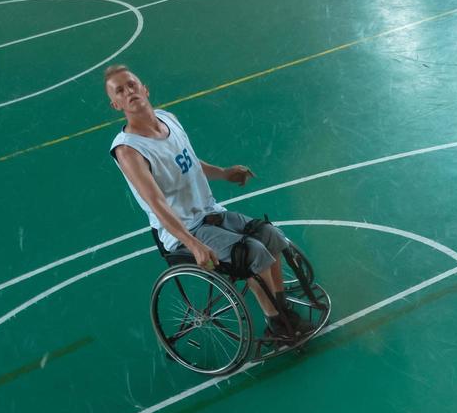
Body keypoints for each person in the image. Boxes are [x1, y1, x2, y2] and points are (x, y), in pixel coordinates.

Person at [104, 63, 307, 340]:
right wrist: (192, 243)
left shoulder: (169, 119)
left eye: (132, 85)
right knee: (252, 253)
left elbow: (189, 163)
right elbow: (156, 204)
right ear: (115, 104)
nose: (129, 91)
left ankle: (281, 311)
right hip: (184, 230)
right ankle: (278, 324)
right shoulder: (128, 150)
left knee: (270, 236)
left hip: (210, 212)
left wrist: (223, 173)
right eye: (120, 91)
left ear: (144, 88)